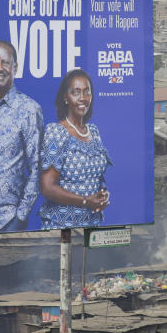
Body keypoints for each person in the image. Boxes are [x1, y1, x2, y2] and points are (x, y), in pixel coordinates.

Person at [0, 41, 43, 233]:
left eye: (5, 63)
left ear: (14, 68)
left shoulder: (29, 110)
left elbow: (37, 167)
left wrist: (21, 216)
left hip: (8, 221)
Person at [39, 69, 111, 230]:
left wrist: (102, 195)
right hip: (61, 228)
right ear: (65, 97)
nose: (83, 98)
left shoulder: (94, 132)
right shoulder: (57, 133)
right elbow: (47, 188)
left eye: (87, 92)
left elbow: (97, 179)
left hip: (92, 224)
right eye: (76, 92)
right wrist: (86, 201)